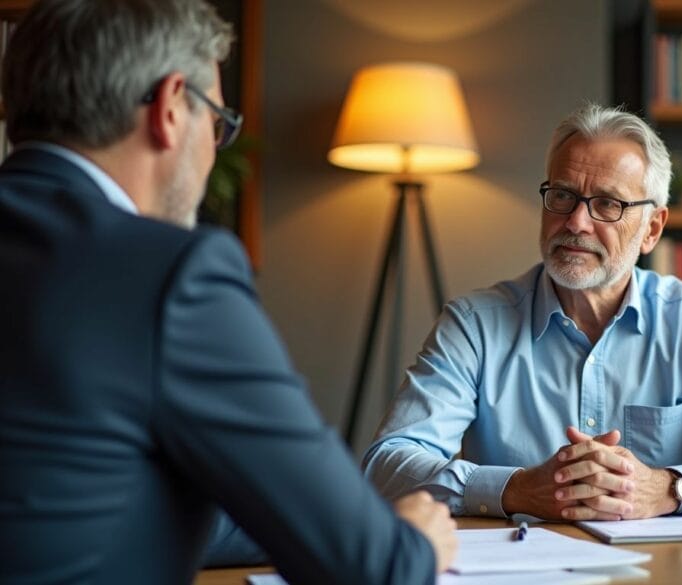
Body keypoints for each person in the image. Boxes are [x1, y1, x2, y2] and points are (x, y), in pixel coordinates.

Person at [0, 1, 454, 583]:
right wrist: (408, 540)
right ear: (169, 109)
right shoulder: (173, 274)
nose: (214, 147)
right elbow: (370, 567)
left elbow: (80, 500)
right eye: (216, 121)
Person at [364, 104, 682, 522]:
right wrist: (514, 490)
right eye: (562, 195)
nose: (576, 222)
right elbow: (388, 463)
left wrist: (670, 488)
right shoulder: (474, 324)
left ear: (652, 228)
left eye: (608, 204)